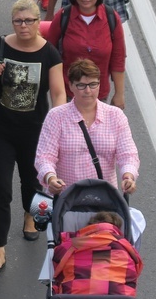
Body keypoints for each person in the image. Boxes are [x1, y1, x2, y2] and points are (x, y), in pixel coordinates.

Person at [0, 0, 65, 276]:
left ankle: (31, 217)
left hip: (36, 130)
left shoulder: (50, 54)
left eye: (29, 21)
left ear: (39, 23)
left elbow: (58, 93)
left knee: (32, 181)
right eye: (18, 21)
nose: (23, 26)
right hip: (0, 130)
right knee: (0, 187)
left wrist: (57, 121)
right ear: (13, 22)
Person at [35, 59, 139, 197]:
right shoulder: (56, 117)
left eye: (93, 84)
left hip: (104, 199)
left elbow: (128, 154)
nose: (88, 91)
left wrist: (128, 176)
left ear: (99, 84)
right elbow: (44, 157)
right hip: (66, 199)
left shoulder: (116, 116)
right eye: (81, 85)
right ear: (71, 86)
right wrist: (51, 178)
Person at [46, 0, 126, 107]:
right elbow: (48, 53)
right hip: (67, 94)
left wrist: (119, 94)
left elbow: (118, 58)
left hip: (99, 96)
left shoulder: (111, 18)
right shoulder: (64, 16)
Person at [52, 211, 143, 297]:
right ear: (116, 229)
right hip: (118, 298)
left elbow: (56, 259)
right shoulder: (126, 246)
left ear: (90, 226)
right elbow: (137, 267)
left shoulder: (72, 244)